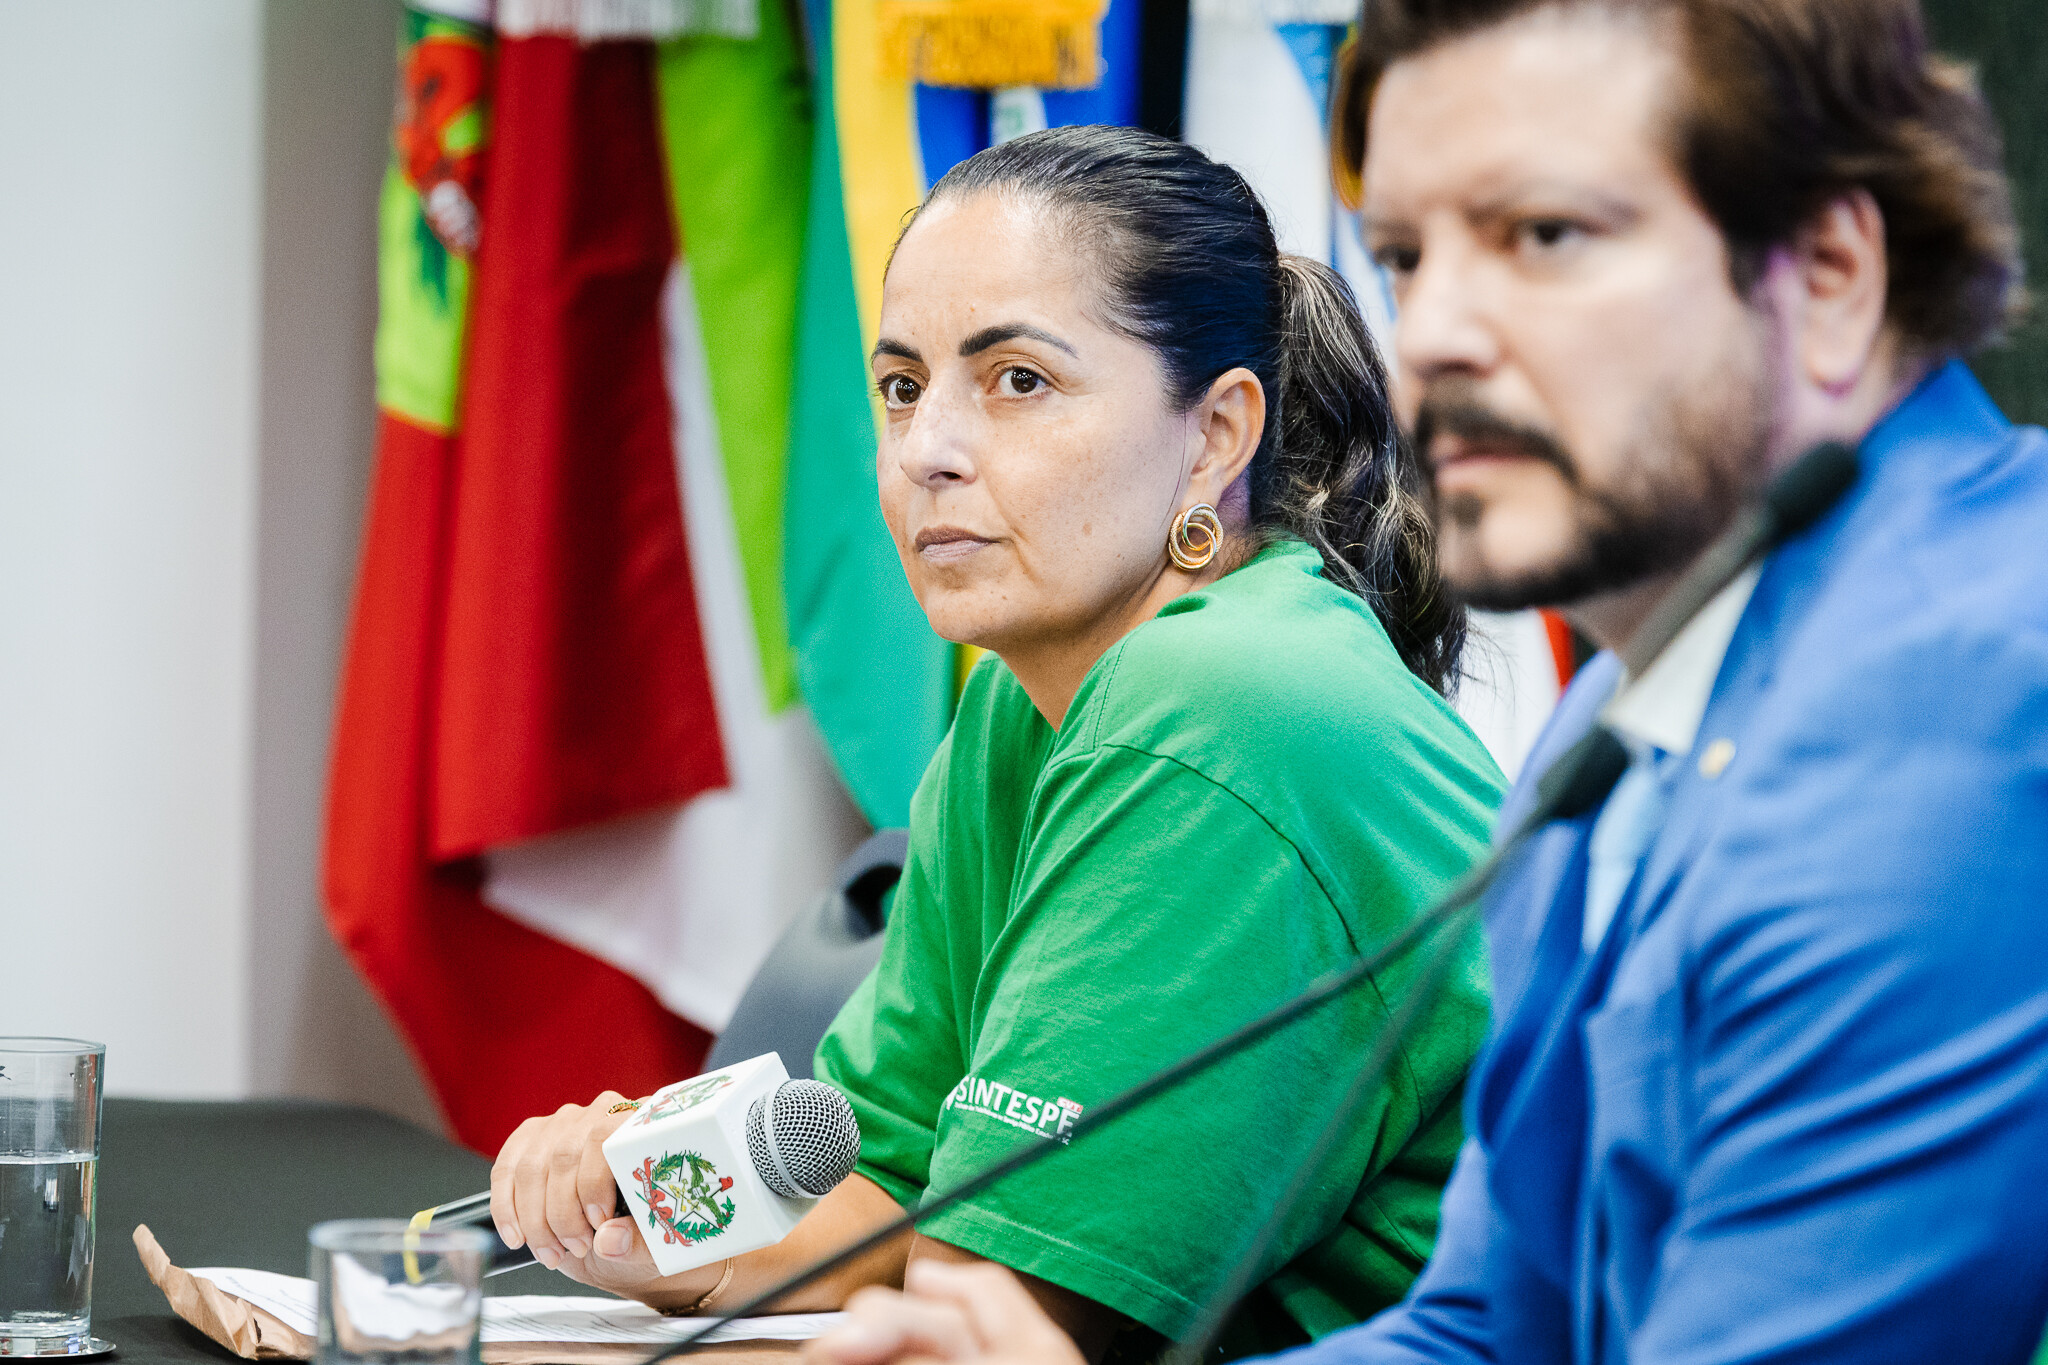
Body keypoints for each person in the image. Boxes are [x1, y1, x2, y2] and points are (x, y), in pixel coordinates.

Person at [800, 0, 2048, 1362]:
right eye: (1403, 254)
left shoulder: (1962, 709)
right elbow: (1488, 1327)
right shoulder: (1630, 704)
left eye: (1543, 235)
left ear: (1829, 275)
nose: (1435, 328)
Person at [487, 126, 1508, 1359]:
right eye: (900, 388)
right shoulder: (1022, 700)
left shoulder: (1218, 703)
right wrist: (660, 1232)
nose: (926, 451)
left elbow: (986, 1313)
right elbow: (889, 1178)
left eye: (1017, 381)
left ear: (1214, 435)